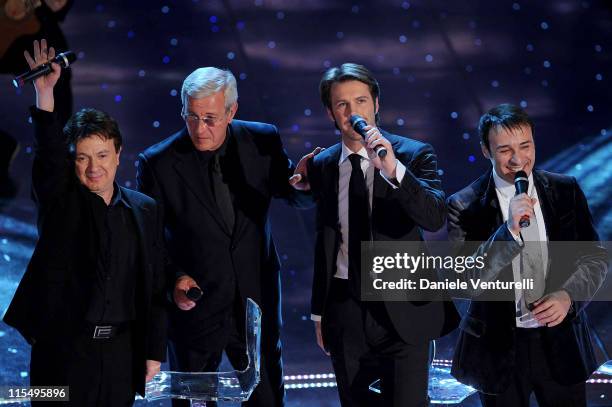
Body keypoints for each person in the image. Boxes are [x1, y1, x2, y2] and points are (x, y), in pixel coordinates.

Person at [3, 39, 168, 406]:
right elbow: (48, 158)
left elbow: (153, 286)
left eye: (103, 155)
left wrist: (153, 351)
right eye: (82, 158)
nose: (95, 168)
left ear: (119, 154)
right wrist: (45, 95)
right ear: (72, 162)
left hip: (121, 358)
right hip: (61, 353)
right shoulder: (61, 203)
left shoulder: (144, 209)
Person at [136, 67, 314, 407]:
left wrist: (306, 186)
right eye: (192, 117)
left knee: (266, 398)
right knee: (194, 401)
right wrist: (175, 279)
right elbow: (151, 244)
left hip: (254, 302)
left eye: (210, 118)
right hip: (196, 305)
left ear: (231, 112)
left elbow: (291, 193)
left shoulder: (262, 141)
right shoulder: (157, 163)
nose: (200, 128)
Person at [298, 63, 459, 407]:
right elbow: (324, 241)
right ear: (330, 112)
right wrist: (319, 313)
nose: (353, 112)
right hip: (345, 309)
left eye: (361, 101)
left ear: (376, 105)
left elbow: (433, 218)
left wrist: (392, 169)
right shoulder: (323, 164)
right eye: (342, 104)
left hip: (403, 307)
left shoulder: (413, 154)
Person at [447, 103, 608, 407]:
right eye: (505, 150)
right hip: (498, 349)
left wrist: (568, 297)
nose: (518, 159)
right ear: (486, 151)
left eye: (525, 145)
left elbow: (595, 257)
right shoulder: (464, 205)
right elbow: (465, 282)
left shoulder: (565, 190)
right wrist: (507, 231)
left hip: (560, 342)